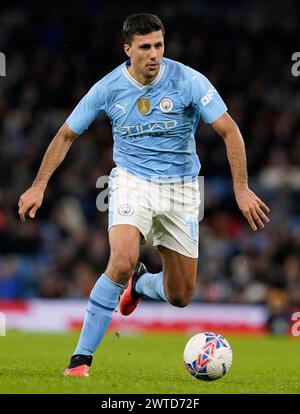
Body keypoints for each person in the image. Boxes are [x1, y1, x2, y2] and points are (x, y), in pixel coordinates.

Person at [18, 13, 270, 377]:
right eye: (145, 47)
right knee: (121, 260)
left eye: (159, 45)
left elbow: (230, 131)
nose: (154, 54)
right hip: (131, 182)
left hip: (181, 190)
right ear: (128, 49)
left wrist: (241, 188)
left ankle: (140, 284)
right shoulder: (108, 88)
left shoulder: (188, 80)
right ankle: (80, 359)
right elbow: (65, 135)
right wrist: (39, 185)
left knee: (181, 295)